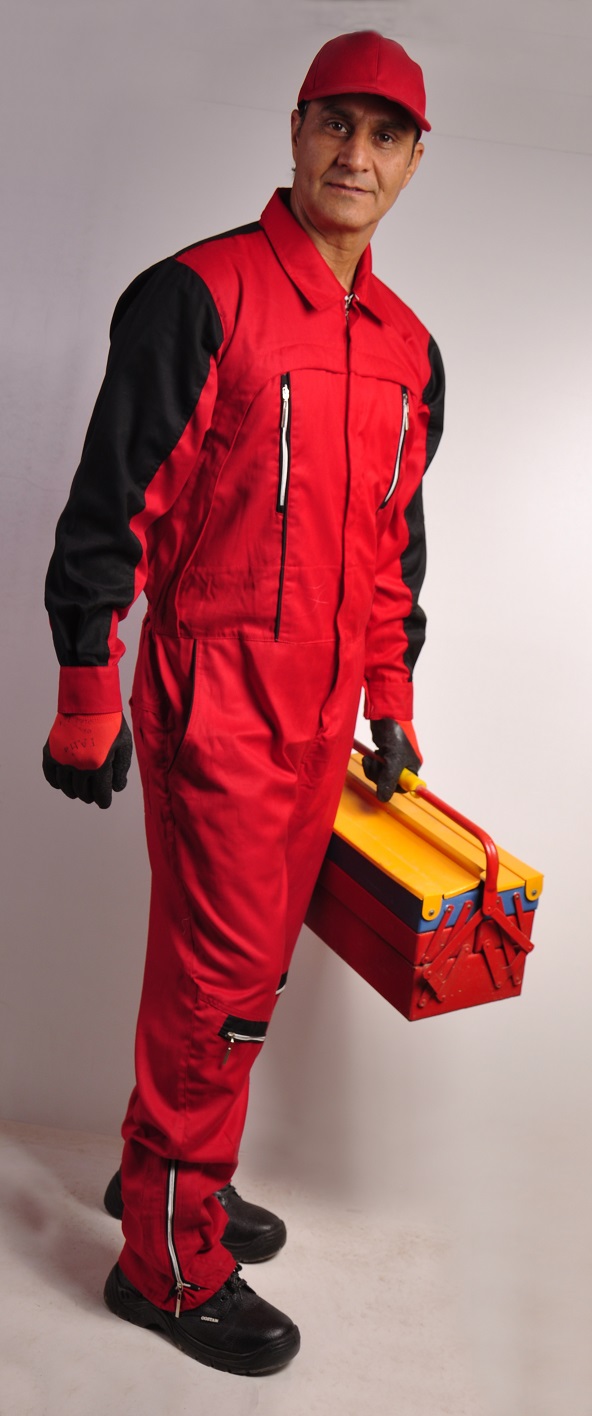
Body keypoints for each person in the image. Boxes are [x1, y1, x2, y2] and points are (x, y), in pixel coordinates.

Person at [43, 30, 445, 1375]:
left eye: (385, 135)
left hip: (323, 722)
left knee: (246, 974)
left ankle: (161, 1177)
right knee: (220, 984)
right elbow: (111, 504)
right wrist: (86, 685)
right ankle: (166, 1261)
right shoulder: (196, 296)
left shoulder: (411, 351)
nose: (356, 155)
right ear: (295, 129)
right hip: (214, 699)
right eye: (336, 122)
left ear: (414, 160)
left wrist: (389, 696)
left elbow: (390, 551)